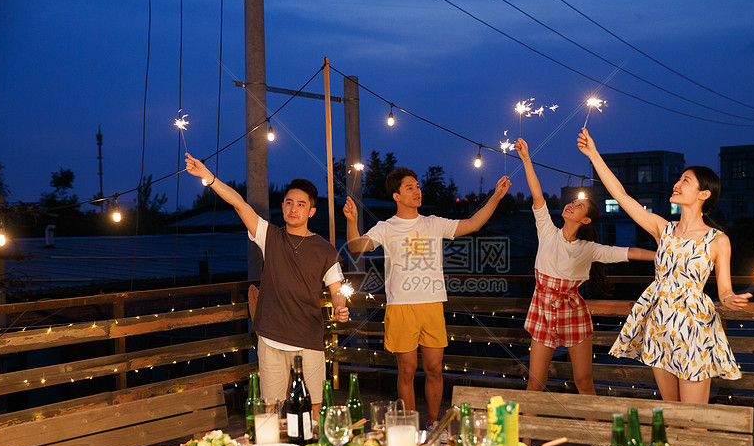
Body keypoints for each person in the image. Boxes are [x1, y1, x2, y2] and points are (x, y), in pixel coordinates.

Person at [577, 129, 750, 446]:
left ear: (703, 194)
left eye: (685, 181)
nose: (677, 184)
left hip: (694, 329)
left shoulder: (718, 240)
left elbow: (725, 289)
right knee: (672, 418)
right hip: (659, 325)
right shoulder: (663, 229)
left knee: (694, 419)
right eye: (679, 179)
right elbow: (623, 197)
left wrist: (730, 299)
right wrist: (594, 155)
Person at [516, 138, 655, 446]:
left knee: (584, 381)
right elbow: (537, 195)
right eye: (571, 204)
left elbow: (627, 253)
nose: (570, 206)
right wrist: (525, 157)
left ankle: (598, 441)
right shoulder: (547, 231)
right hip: (542, 309)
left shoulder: (589, 248)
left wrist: (662, 252)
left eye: (579, 207)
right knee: (535, 383)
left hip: (573, 310)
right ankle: (523, 445)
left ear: (586, 220)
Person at [343, 167, 511, 431]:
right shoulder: (386, 227)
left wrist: (496, 196)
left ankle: (434, 424)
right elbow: (356, 247)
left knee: (434, 369)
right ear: (396, 196)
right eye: (409, 187)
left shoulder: (433, 222)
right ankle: (410, 427)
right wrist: (352, 221)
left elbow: (474, 224)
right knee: (407, 370)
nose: (417, 191)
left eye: (418, 186)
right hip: (401, 306)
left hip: (432, 304)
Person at [185, 153, 349, 418]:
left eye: (300, 204)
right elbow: (239, 204)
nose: (293, 209)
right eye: (288, 203)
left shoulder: (325, 250)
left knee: (315, 405)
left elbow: (337, 289)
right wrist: (208, 177)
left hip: (308, 338)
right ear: (282, 206)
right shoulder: (270, 236)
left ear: (311, 211)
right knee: (271, 407)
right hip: (271, 337)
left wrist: (340, 308)